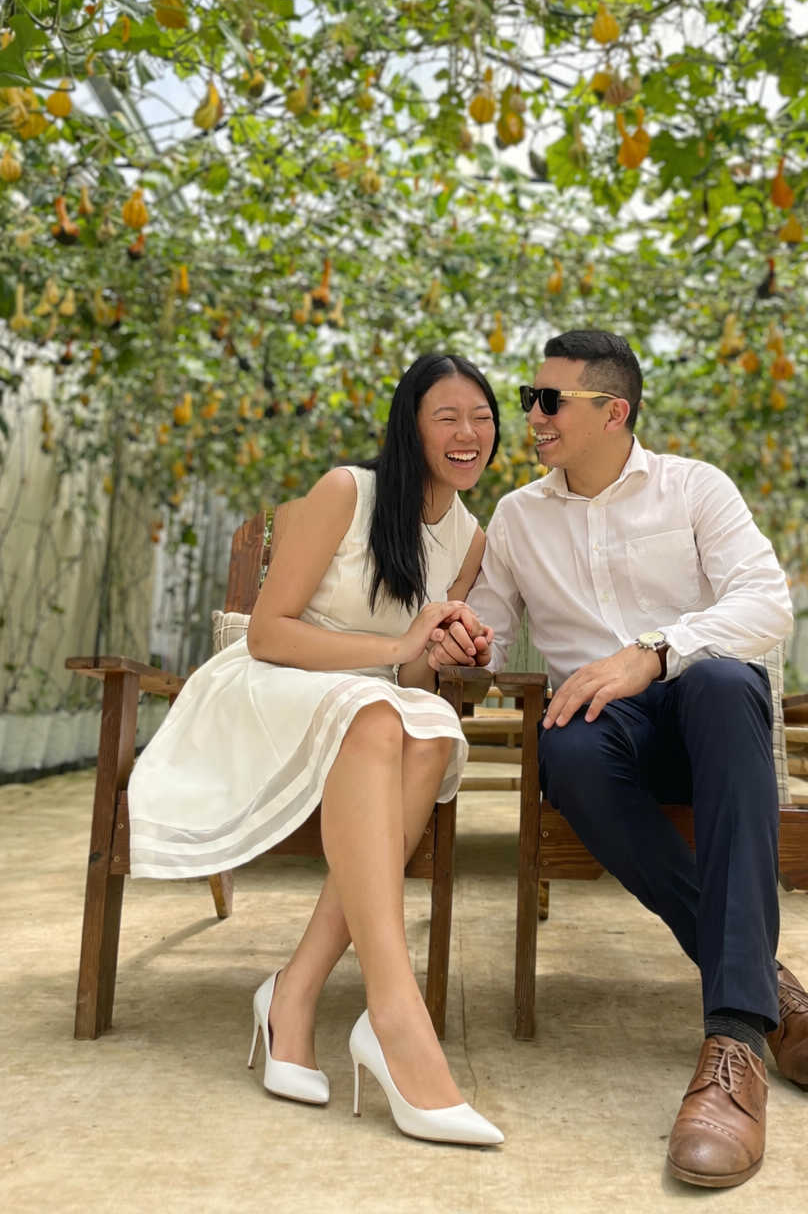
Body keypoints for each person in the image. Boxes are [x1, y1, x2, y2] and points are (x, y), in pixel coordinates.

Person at [428, 329, 808, 1187]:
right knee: (565, 744)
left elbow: (766, 603)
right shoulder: (518, 517)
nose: (532, 416)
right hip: (605, 738)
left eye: (550, 401)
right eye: (531, 399)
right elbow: (496, 635)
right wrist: (467, 642)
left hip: (709, 729)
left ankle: (733, 1041)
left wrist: (654, 653)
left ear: (613, 411)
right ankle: (768, 992)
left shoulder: (694, 487)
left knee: (725, 679)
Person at [129, 355, 503, 1147]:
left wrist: (440, 649)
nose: (468, 432)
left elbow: (411, 674)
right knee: (379, 716)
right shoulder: (347, 492)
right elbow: (268, 634)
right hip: (272, 687)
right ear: (410, 428)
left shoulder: (470, 537)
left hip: (368, 702)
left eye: (481, 416)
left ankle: (294, 991)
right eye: (446, 416)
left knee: (431, 729)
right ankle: (395, 1016)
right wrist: (397, 647)